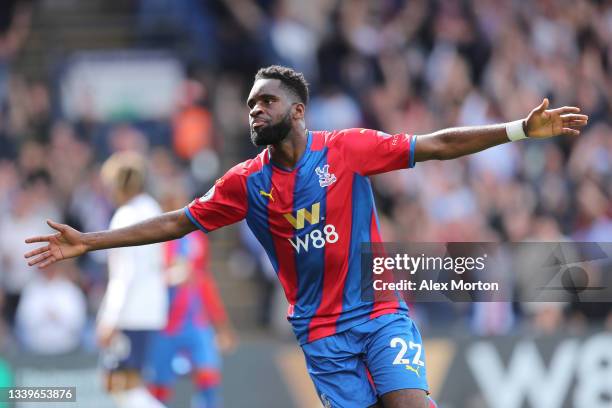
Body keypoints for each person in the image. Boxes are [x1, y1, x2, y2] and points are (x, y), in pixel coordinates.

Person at [24, 66, 588, 408]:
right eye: (249, 105)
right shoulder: (244, 183)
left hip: (378, 311)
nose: (254, 111)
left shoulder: (346, 148)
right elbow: (178, 222)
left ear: (296, 110)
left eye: (264, 101)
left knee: (407, 402)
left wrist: (518, 129)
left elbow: (435, 144)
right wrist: (91, 241)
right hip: (320, 336)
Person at [147, 189, 237, 408]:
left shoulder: (196, 239)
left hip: (195, 323)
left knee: (208, 379)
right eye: (172, 203)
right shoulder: (154, 241)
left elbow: (203, 281)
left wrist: (222, 326)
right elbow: (148, 279)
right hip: (164, 326)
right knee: (158, 391)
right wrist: (168, 277)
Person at [96, 152, 168, 408]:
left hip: (129, 314)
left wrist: (109, 318)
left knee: (120, 386)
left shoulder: (125, 217)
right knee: (130, 385)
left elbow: (125, 273)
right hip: (151, 311)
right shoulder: (152, 208)